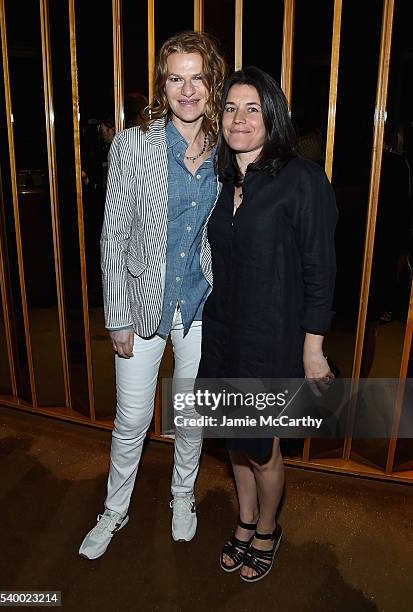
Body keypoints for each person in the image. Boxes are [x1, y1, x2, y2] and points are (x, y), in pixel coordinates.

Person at [78, 31, 227, 560]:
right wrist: (116, 315)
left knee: (190, 414)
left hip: (201, 305)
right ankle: (114, 509)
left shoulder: (225, 148)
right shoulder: (133, 143)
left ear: (212, 81)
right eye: (175, 77)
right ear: (162, 85)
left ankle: (181, 494)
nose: (187, 89)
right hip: (141, 305)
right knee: (133, 419)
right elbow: (113, 233)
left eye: (197, 77)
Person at [197, 67, 338, 582]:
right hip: (224, 334)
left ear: (272, 116)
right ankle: (245, 519)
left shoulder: (301, 178)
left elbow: (320, 269)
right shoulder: (220, 178)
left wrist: (313, 348)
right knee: (235, 438)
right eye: (231, 107)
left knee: (264, 446)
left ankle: (268, 529)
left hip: (272, 337)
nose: (239, 118)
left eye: (253, 108)